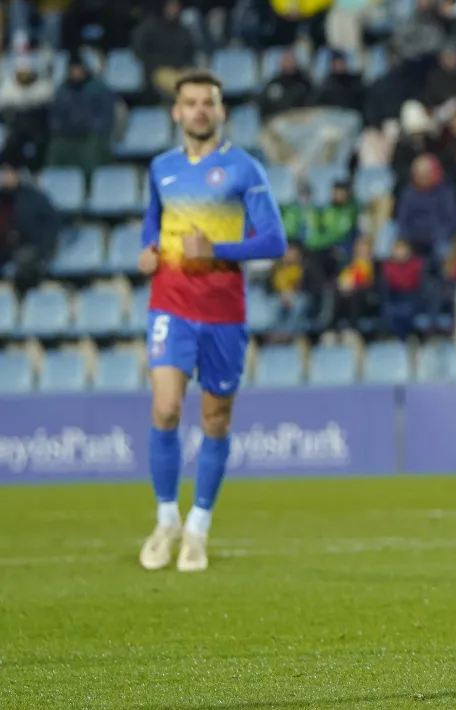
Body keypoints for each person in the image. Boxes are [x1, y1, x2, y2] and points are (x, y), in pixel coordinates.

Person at [137, 70, 288, 573]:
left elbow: (274, 242)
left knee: (215, 418)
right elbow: (151, 222)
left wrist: (217, 250)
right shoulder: (161, 169)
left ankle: (198, 527)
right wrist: (147, 250)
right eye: (192, 102)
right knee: (165, 408)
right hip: (170, 304)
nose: (200, 110)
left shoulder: (244, 169)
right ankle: (165, 521)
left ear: (222, 112)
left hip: (224, 311)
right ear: (176, 112)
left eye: (209, 103)